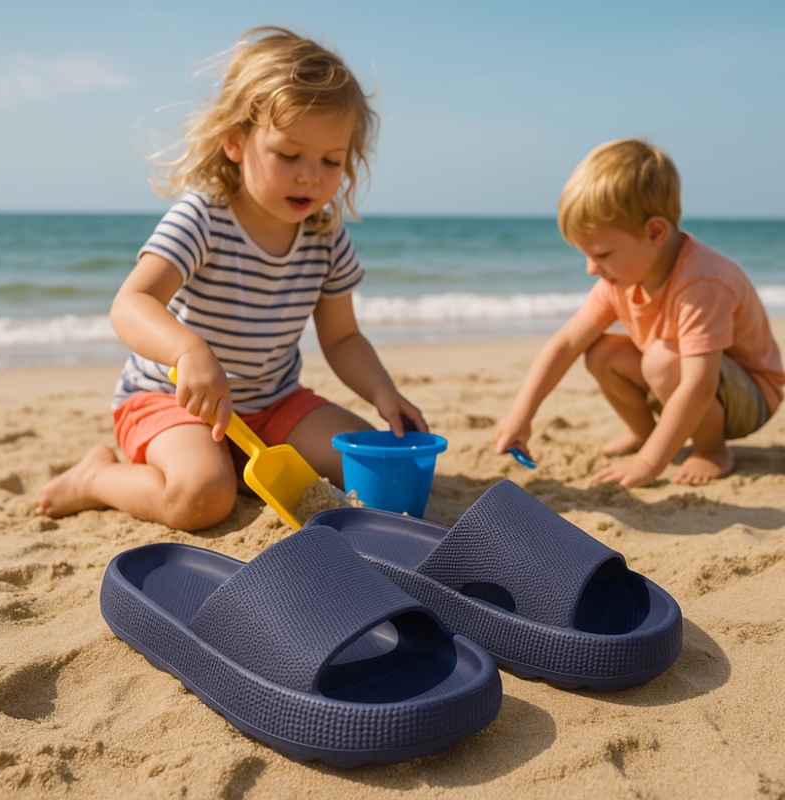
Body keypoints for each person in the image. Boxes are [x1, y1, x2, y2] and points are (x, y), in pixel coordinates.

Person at [38, 26, 426, 531]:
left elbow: (343, 337)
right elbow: (131, 303)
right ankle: (96, 478)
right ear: (236, 142)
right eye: (289, 154)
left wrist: (383, 391)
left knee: (371, 465)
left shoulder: (326, 236)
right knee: (202, 497)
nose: (311, 175)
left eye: (331, 160)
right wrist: (187, 352)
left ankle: (238, 461)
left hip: (275, 403)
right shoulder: (203, 218)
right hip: (174, 402)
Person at [493, 138, 784, 488]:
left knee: (662, 359)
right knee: (601, 352)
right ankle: (646, 435)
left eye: (602, 254)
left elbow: (699, 385)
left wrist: (648, 465)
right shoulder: (621, 279)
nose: (591, 269)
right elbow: (566, 344)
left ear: (655, 232)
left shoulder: (702, 281)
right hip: (681, 382)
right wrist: (521, 415)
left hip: (750, 397)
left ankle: (712, 451)